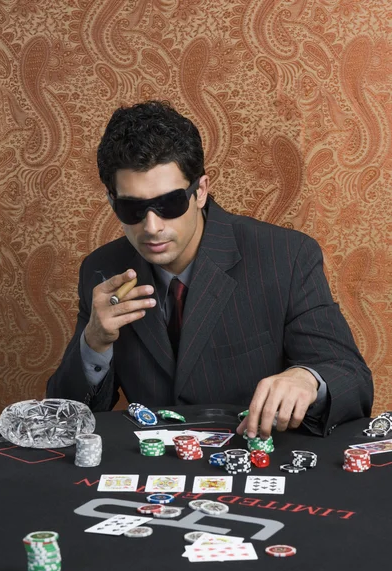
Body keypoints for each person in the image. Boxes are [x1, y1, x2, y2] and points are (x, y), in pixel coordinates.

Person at [46, 100, 373, 439]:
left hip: (258, 464)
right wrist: (93, 343)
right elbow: (61, 421)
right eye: (132, 208)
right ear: (113, 202)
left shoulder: (286, 257)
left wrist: (307, 378)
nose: (152, 226)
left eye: (169, 203)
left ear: (200, 191)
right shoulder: (102, 271)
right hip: (154, 472)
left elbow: (352, 378)